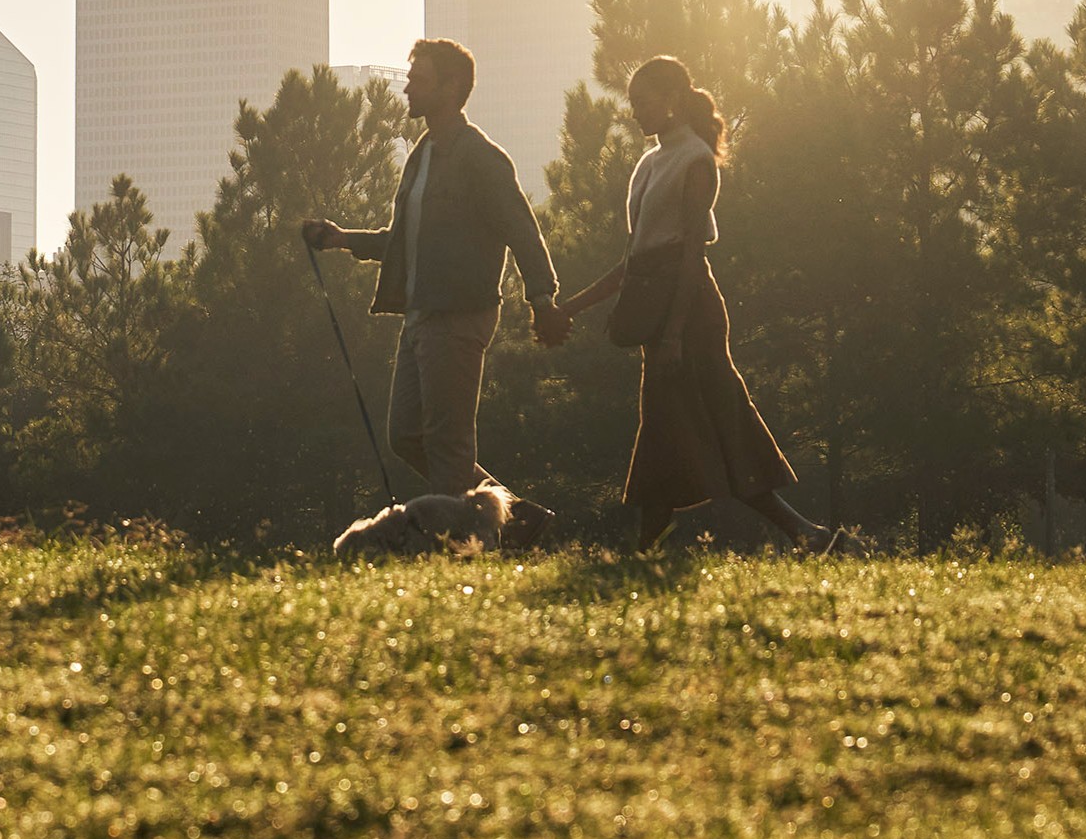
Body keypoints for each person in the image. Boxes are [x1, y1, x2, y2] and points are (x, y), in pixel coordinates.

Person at [561, 53, 828, 551]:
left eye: (643, 102)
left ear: (673, 100)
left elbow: (688, 256)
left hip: (691, 314)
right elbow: (634, 260)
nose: (635, 112)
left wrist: (674, 334)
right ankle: (799, 533)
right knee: (667, 428)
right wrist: (569, 308)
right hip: (659, 311)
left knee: (714, 420)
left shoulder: (695, 160)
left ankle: (800, 532)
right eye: (632, 103)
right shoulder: (649, 162)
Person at [302, 38, 572, 526]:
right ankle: (518, 520)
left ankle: (460, 547)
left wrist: (542, 299)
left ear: (451, 88)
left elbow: (522, 230)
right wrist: (342, 239)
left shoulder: (480, 157)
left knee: (448, 445)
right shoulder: (422, 155)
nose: (407, 88)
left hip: (460, 314)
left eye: (418, 79)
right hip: (421, 313)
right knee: (406, 435)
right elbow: (405, 240)